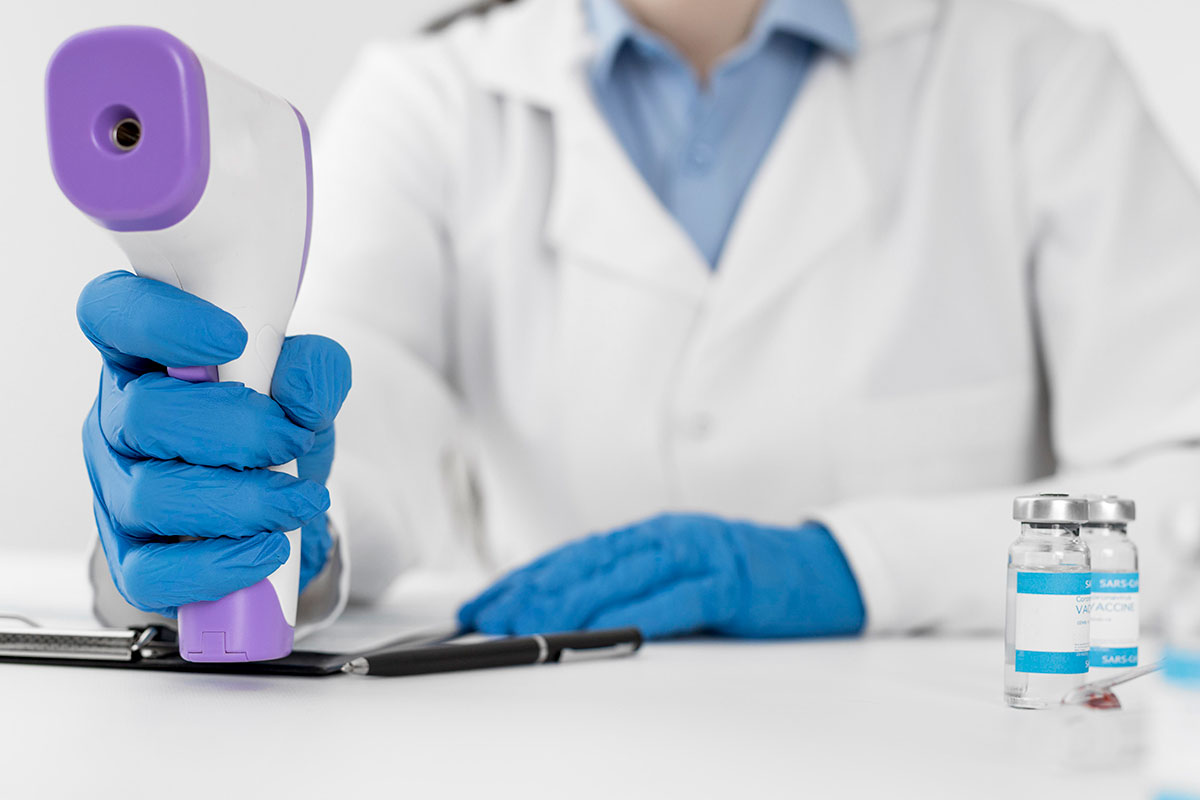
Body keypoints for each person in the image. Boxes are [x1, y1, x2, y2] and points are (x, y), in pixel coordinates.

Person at [81, 0, 1200, 640]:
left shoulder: (1038, 83)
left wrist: (862, 566)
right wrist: (271, 521)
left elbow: (1180, 484)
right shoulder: (433, 98)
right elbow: (358, 392)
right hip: (556, 746)